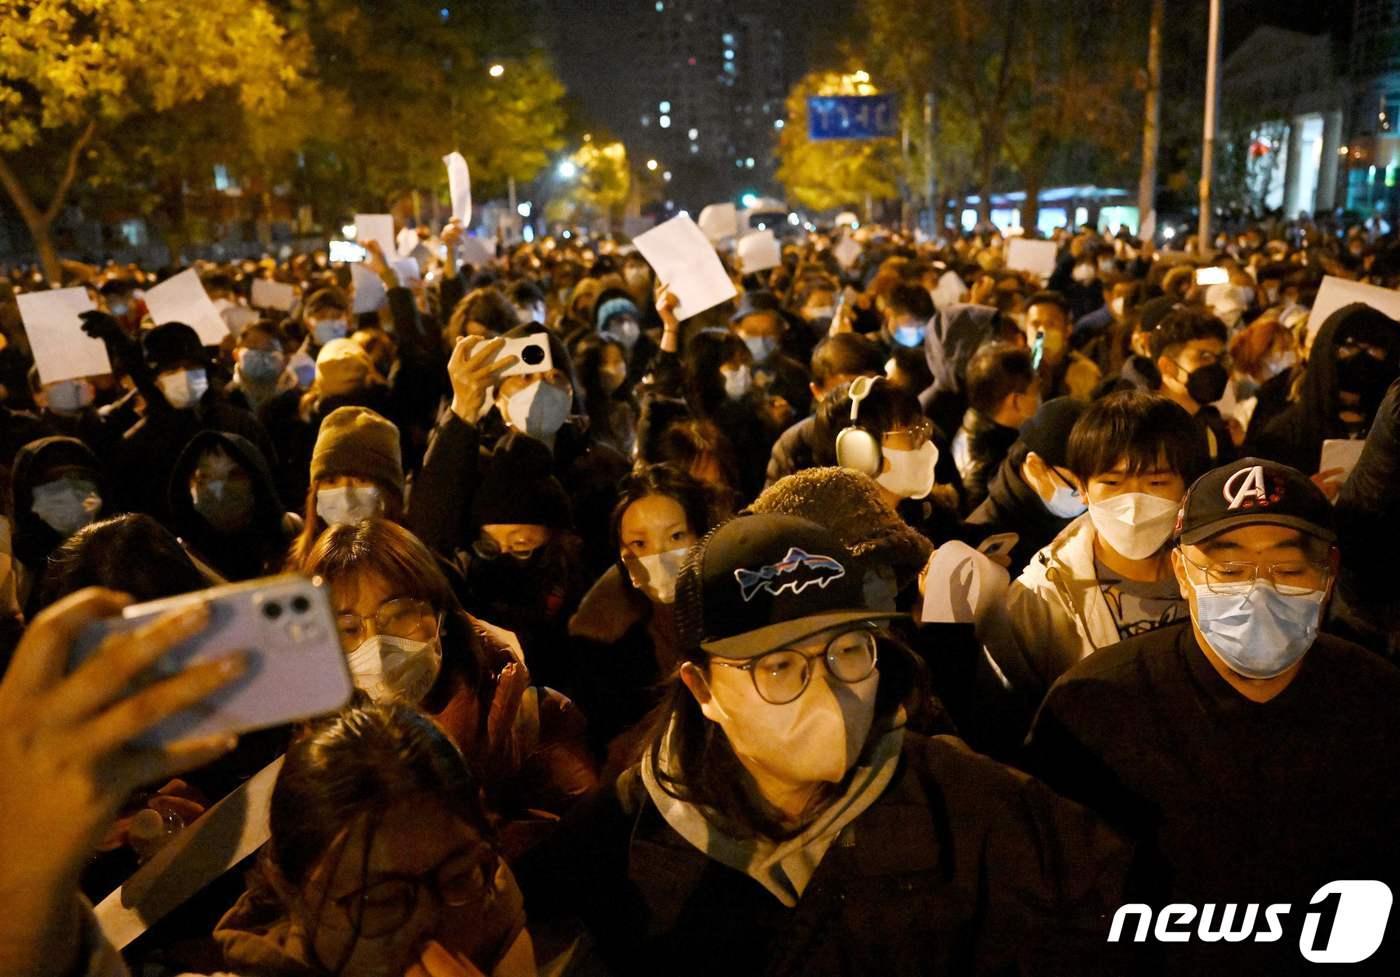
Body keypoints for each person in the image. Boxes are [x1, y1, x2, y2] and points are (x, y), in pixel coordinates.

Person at [515, 514, 1130, 977]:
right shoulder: (624, 833)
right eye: (780, 667)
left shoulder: (974, 805)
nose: (828, 695)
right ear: (702, 686)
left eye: (848, 651)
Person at [1025, 458, 1400, 975]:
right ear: (1182, 571)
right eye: (1228, 570)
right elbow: (1047, 907)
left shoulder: (1379, 703)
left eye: (1288, 570)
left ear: (1328, 574)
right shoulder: (1093, 709)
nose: (1258, 591)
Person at [298, 518, 596, 847]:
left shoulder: (533, 723)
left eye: (399, 615)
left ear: (441, 617)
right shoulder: (314, 757)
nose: (378, 645)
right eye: (349, 629)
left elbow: (587, 853)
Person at [987, 391, 1209, 710]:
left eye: (1156, 483)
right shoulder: (1042, 596)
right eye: (1112, 483)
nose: (1133, 504)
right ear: (1083, 487)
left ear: (1187, 486)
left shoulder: (1220, 574)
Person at [568, 463, 715, 762]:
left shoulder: (738, 610)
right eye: (639, 543)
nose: (659, 557)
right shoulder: (601, 639)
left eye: (676, 537)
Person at [116, 322, 276, 521]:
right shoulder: (138, 443)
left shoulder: (240, 423)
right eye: (172, 369)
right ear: (154, 380)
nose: (184, 375)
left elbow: (270, 487)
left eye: (192, 366)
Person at [1254, 303, 1400, 492]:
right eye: (1349, 348)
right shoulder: (1284, 434)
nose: (1362, 360)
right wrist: (1301, 495)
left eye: (1374, 350)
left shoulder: (1392, 429)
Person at [967, 396, 1089, 578]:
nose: (1086, 498)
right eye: (1075, 487)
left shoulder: (1082, 520)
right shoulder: (985, 538)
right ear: (1035, 466)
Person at [166, 431, 300, 582]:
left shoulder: (292, 536)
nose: (217, 488)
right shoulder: (183, 558)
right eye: (203, 477)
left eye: (234, 474)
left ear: (257, 481)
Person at [286, 405, 404, 568]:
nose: (346, 499)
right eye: (332, 481)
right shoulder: (297, 575)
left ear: (389, 494)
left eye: (361, 480)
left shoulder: (413, 572)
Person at [764, 332, 886, 488]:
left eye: (863, 389)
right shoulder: (796, 444)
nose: (855, 403)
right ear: (817, 391)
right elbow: (773, 507)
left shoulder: (899, 430)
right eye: (843, 393)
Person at [9, 436, 106, 612]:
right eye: (56, 491)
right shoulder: (15, 569)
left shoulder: (115, 556)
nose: (73, 502)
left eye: (82, 487)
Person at [950, 342, 1040, 510]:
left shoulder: (970, 427)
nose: (1039, 400)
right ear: (1016, 401)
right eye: (1035, 392)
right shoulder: (992, 467)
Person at [1149, 306, 1236, 465]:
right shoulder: (1143, 428)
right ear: (1167, 367)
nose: (1215, 367)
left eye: (1220, 358)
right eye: (1204, 356)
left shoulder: (1214, 426)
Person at [1022, 291, 1101, 401]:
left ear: (1067, 330)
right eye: (1035, 324)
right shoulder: (1015, 369)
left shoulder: (1085, 371)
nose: (1042, 331)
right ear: (1025, 328)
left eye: (1051, 324)